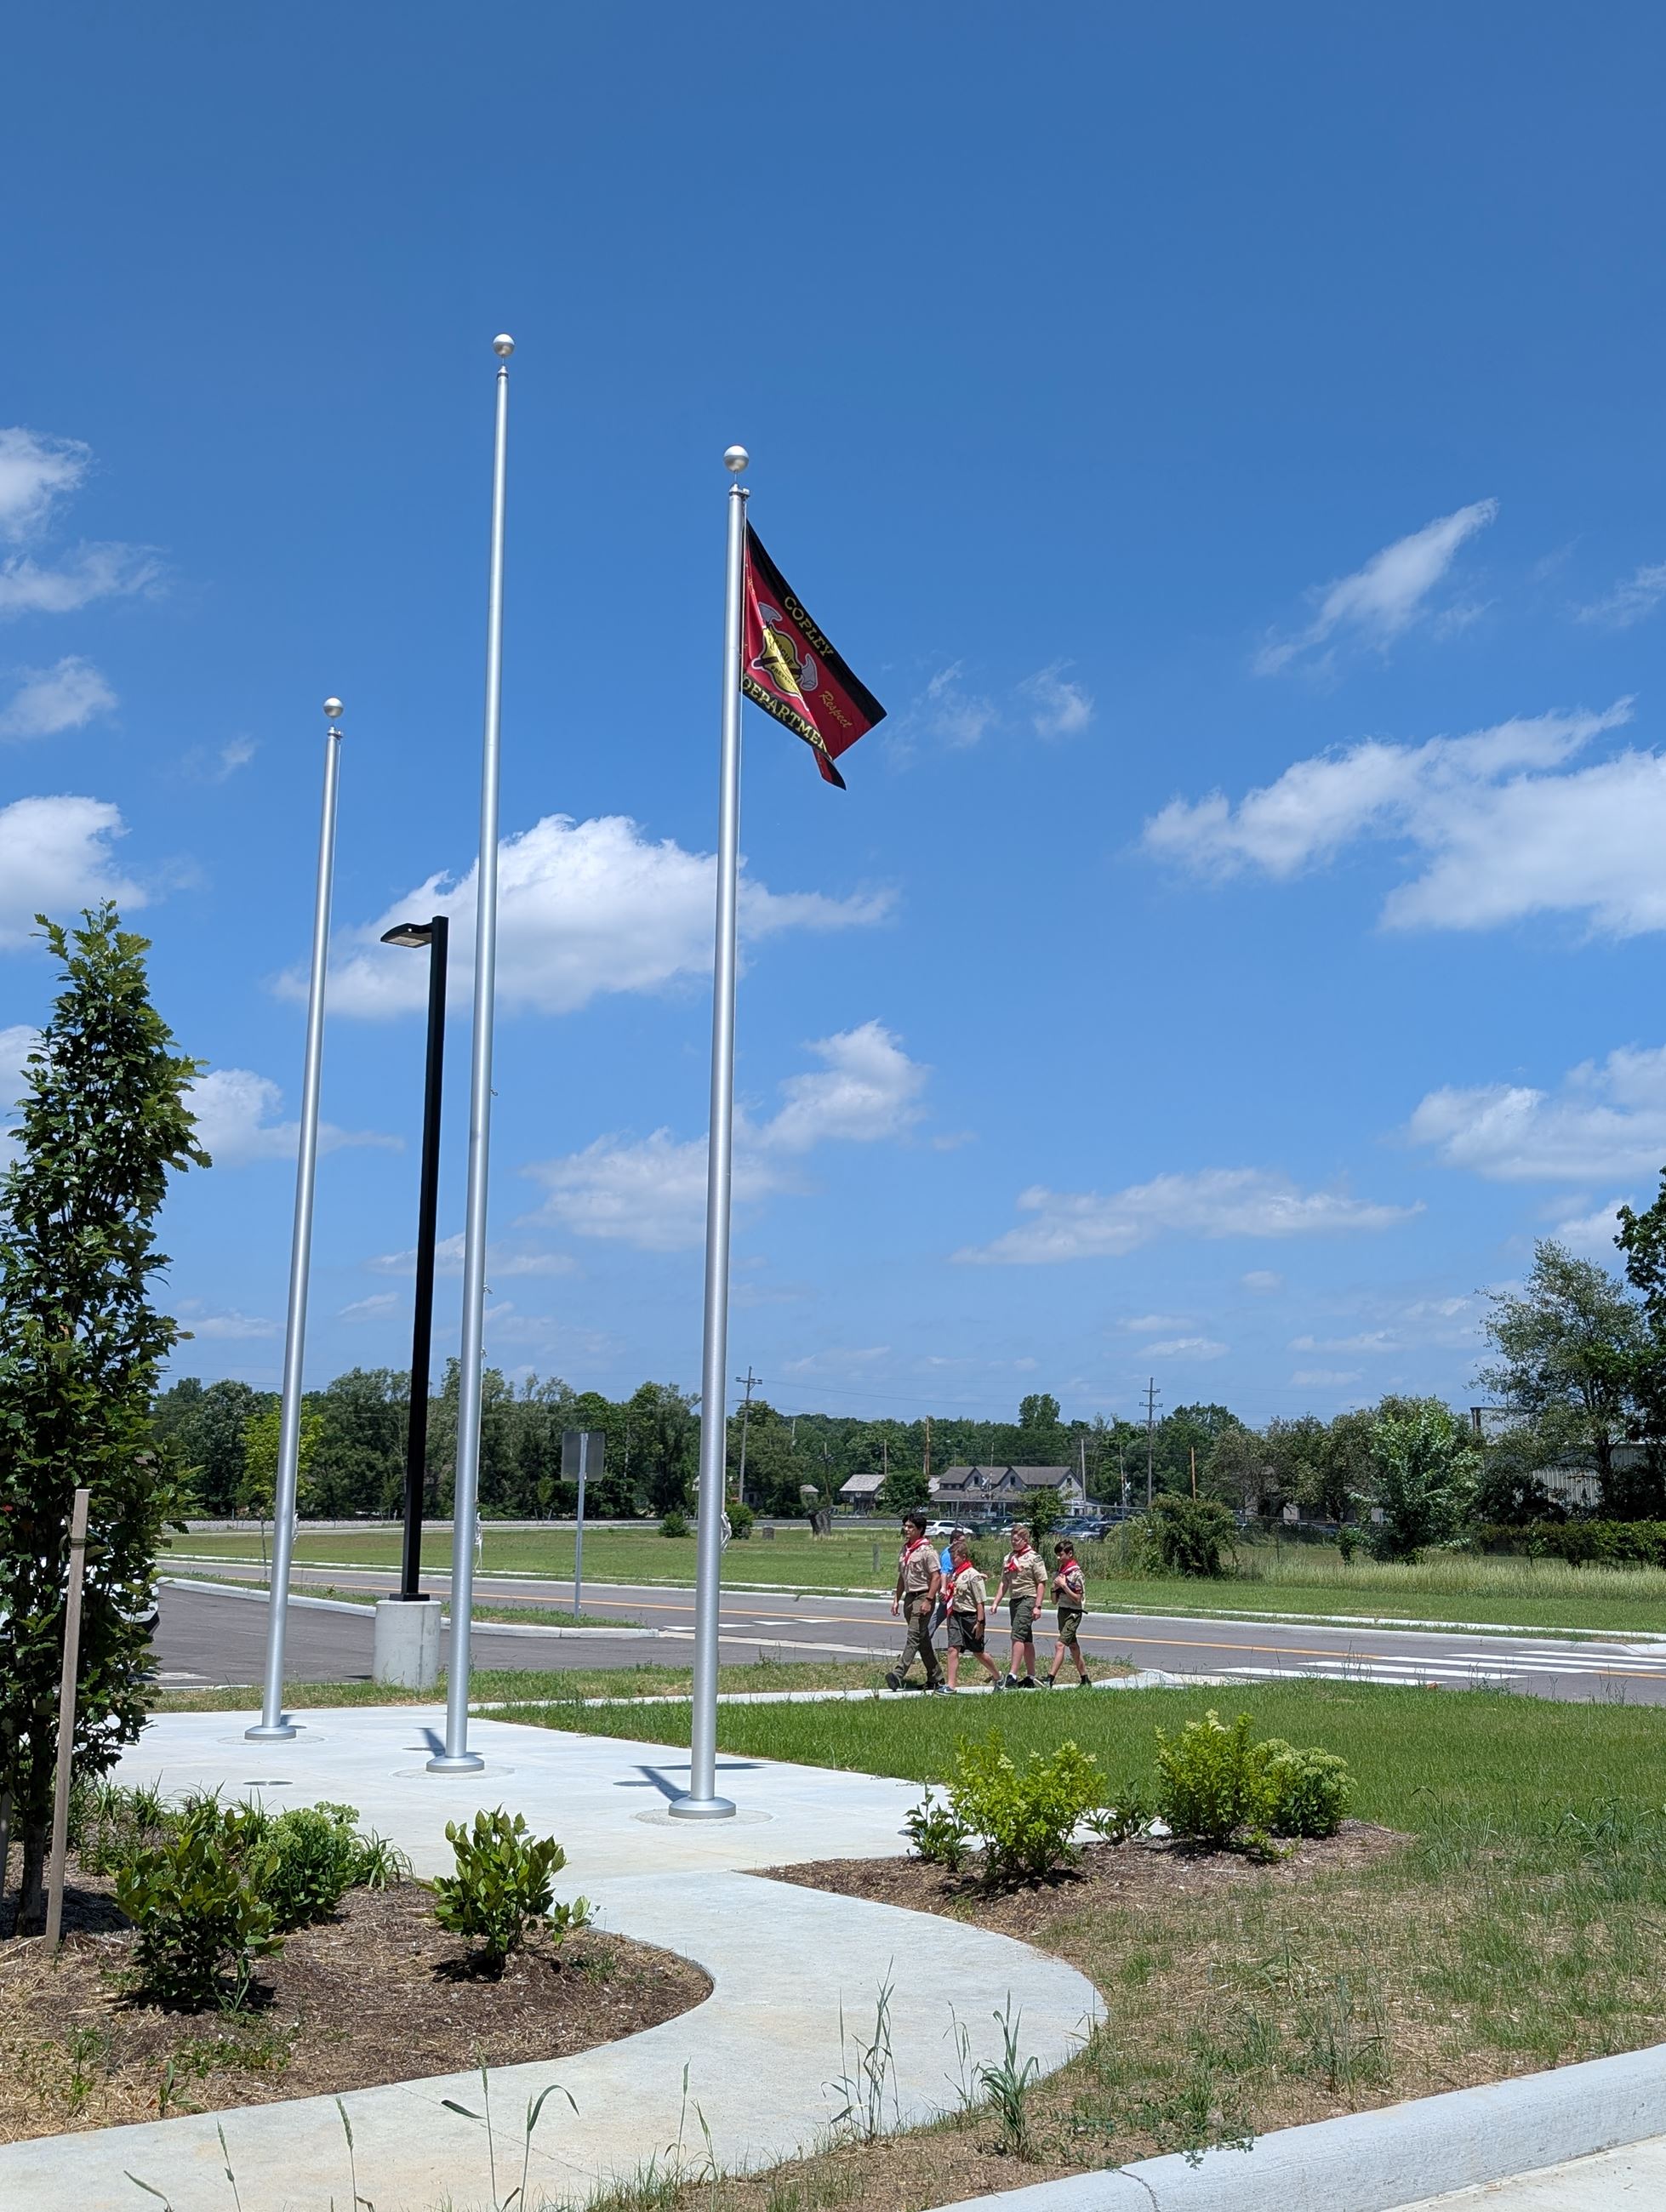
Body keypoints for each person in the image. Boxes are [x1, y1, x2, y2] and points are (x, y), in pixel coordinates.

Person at [887, 1508, 945, 1692]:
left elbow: (936, 1577)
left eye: (910, 1526)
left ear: (920, 1529)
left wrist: (929, 1600)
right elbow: (902, 1577)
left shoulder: (928, 1551)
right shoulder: (905, 1549)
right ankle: (936, 1677)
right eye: (905, 1526)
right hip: (910, 1597)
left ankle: (898, 1674)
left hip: (923, 1595)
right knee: (922, 1639)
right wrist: (896, 1599)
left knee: (913, 1636)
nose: (906, 1529)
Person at [943, 1535, 1004, 1692]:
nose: (952, 1561)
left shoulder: (973, 1575)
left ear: (963, 1557)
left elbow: (980, 1602)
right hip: (956, 1615)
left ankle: (998, 1677)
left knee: (978, 1653)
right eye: (951, 1558)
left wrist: (980, 1622)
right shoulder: (955, 1574)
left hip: (971, 1617)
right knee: (952, 1649)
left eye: (954, 1557)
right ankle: (951, 1685)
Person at [996, 1520, 1047, 1687]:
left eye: (1016, 1539)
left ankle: (1012, 1674)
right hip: (1015, 1599)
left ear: (1025, 1540)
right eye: (1011, 1539)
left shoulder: (1034, 1558)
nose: (1013, 1542)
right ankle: (1031, 1677)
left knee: (1017, 1634)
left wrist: (1038, 1606)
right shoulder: (1008, 1558)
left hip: (1028, 1598)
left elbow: (1041, 1582)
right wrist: (996, 1601)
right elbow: (1004, 1582)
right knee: (1025, 1639)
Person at [1047, 1537, 1093, 1687]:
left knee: (1060, 1645)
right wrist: (1054, 1588)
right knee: (1073, 1646)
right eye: (1057, 1555)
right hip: (1062, 1611)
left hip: (1074, 1613)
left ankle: (1049, 1679)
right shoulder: (1059, 1574)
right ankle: (1085, 1679)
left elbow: (1078, 1599)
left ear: (1070, 1553)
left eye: (1061, 1555)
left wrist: (1065, 1586)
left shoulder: (1076, 1574)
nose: (1058, 1558)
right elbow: (1054, 1601)